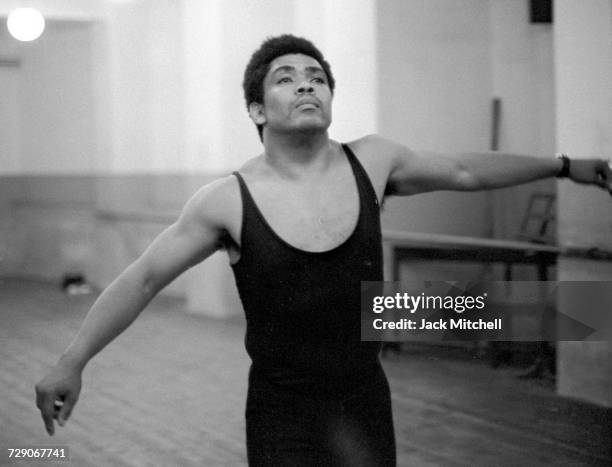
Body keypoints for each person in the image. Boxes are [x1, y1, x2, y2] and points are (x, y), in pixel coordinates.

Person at [35, 34, 612, 466]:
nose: (307, 83)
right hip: (283, 409)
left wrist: (565, 166)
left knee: (545, 309)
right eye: (286, 78)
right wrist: (73, 360)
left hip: (364, 397)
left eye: (317, 76)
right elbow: (140, 280)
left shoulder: (374, 160)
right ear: (258, 111)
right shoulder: (225, 202)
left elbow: (464, 170)